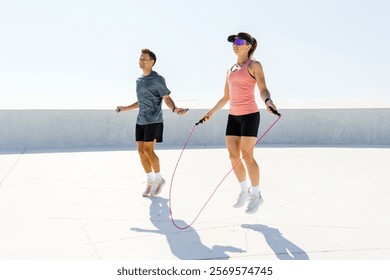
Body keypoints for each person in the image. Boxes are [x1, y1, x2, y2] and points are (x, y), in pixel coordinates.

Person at [201, 32, 278, 214]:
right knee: (233, 156)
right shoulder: (230, 69)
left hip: (250, 115)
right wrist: (210, 113)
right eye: (233, 42)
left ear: (248, 45)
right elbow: (226, 97)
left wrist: (268, 102)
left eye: (239, 41)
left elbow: (263, 88)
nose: (235, 45)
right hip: (233, 116)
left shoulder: (254, 65)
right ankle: (244, 190)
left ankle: (256, 194)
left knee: (247, 156)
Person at [117, 48, 187, 197]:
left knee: (149, 150)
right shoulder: (139, 81)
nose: (140, 61)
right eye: (140, 58)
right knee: (140, 151)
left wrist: (174, 109)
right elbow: (141, 102)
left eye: (144, 59)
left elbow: (166, 98)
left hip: (154, 120)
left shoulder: (158, 79)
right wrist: (125, 108)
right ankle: (150, 180)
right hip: (140, 120)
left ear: (152, 62)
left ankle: (159, 178)